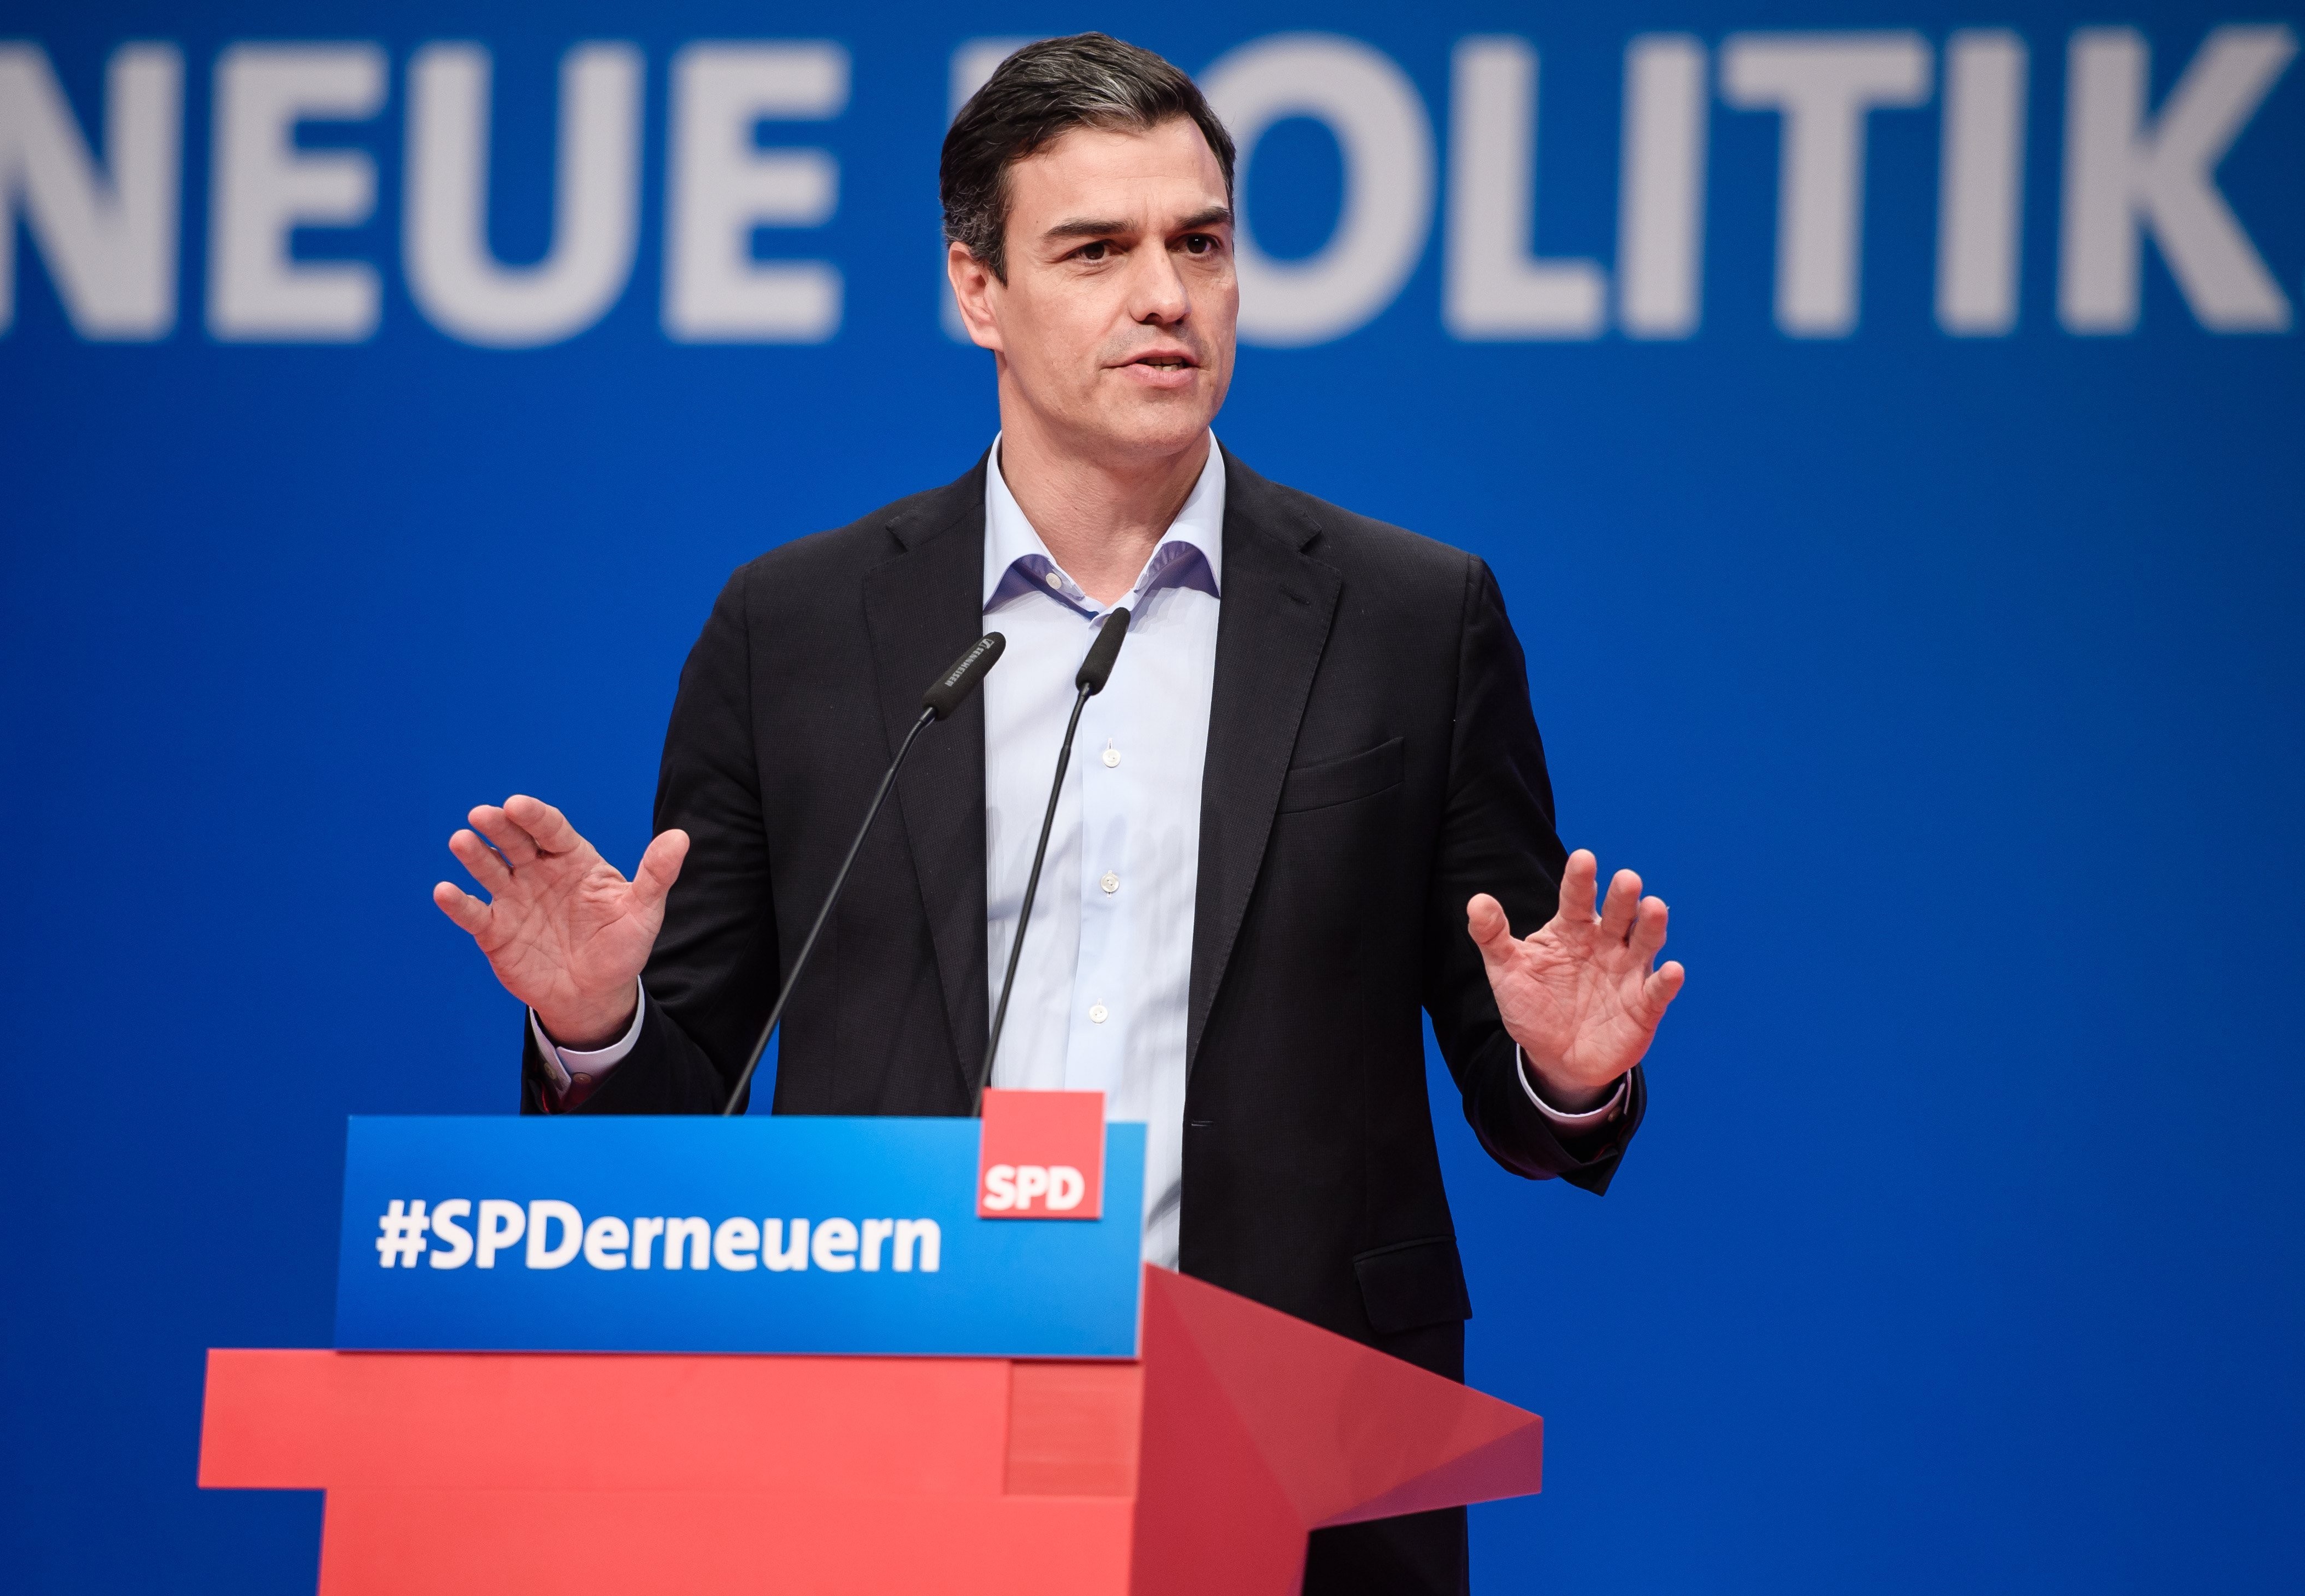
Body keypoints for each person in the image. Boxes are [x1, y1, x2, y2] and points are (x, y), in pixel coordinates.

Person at [433, 32, 1683, 1595]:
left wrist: (1564, 1072)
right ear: (979, 290)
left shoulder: (1411, 620)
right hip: (891, 1459)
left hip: (1289, 1461)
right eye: (1096, 250)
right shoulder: (796, 630)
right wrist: (597, 1024)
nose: (1166, 295)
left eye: (1200, 244)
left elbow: (1515, 1084)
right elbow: (680, 1115)